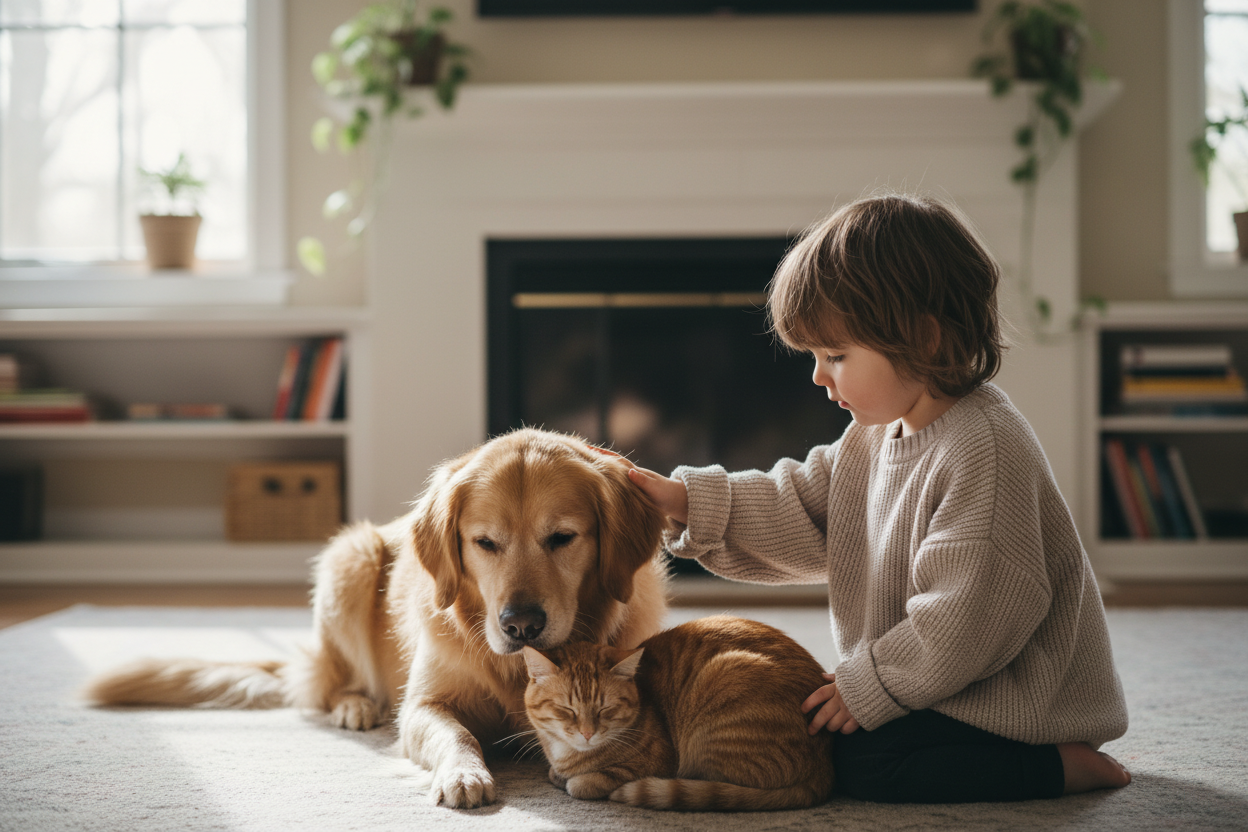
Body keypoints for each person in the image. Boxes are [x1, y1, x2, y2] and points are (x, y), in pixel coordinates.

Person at [618, 193, 1131, 803]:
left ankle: (1060, 766)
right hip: (940, 681)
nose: (818, 377)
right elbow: (801, 508)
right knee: (820, 738)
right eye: (814, 357)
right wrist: (683, 500)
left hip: (1011, 702)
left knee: (861, 765)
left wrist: (870, 685)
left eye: (836, 356)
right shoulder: (873, 435)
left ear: (923, 340)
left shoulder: (984, 450)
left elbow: (965, 622)